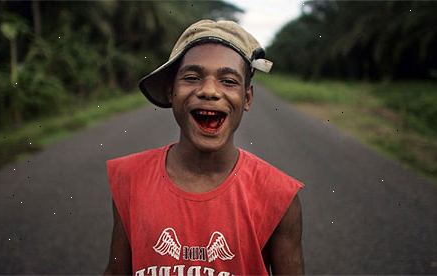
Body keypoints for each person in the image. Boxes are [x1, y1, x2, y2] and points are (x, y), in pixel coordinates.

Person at [104, 19, 304, 275]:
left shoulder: (278, 196)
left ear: (247, 97)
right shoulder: (130, 178)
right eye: (191, 77)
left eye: (228, 81)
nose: (209, 91)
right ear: (170, 91)